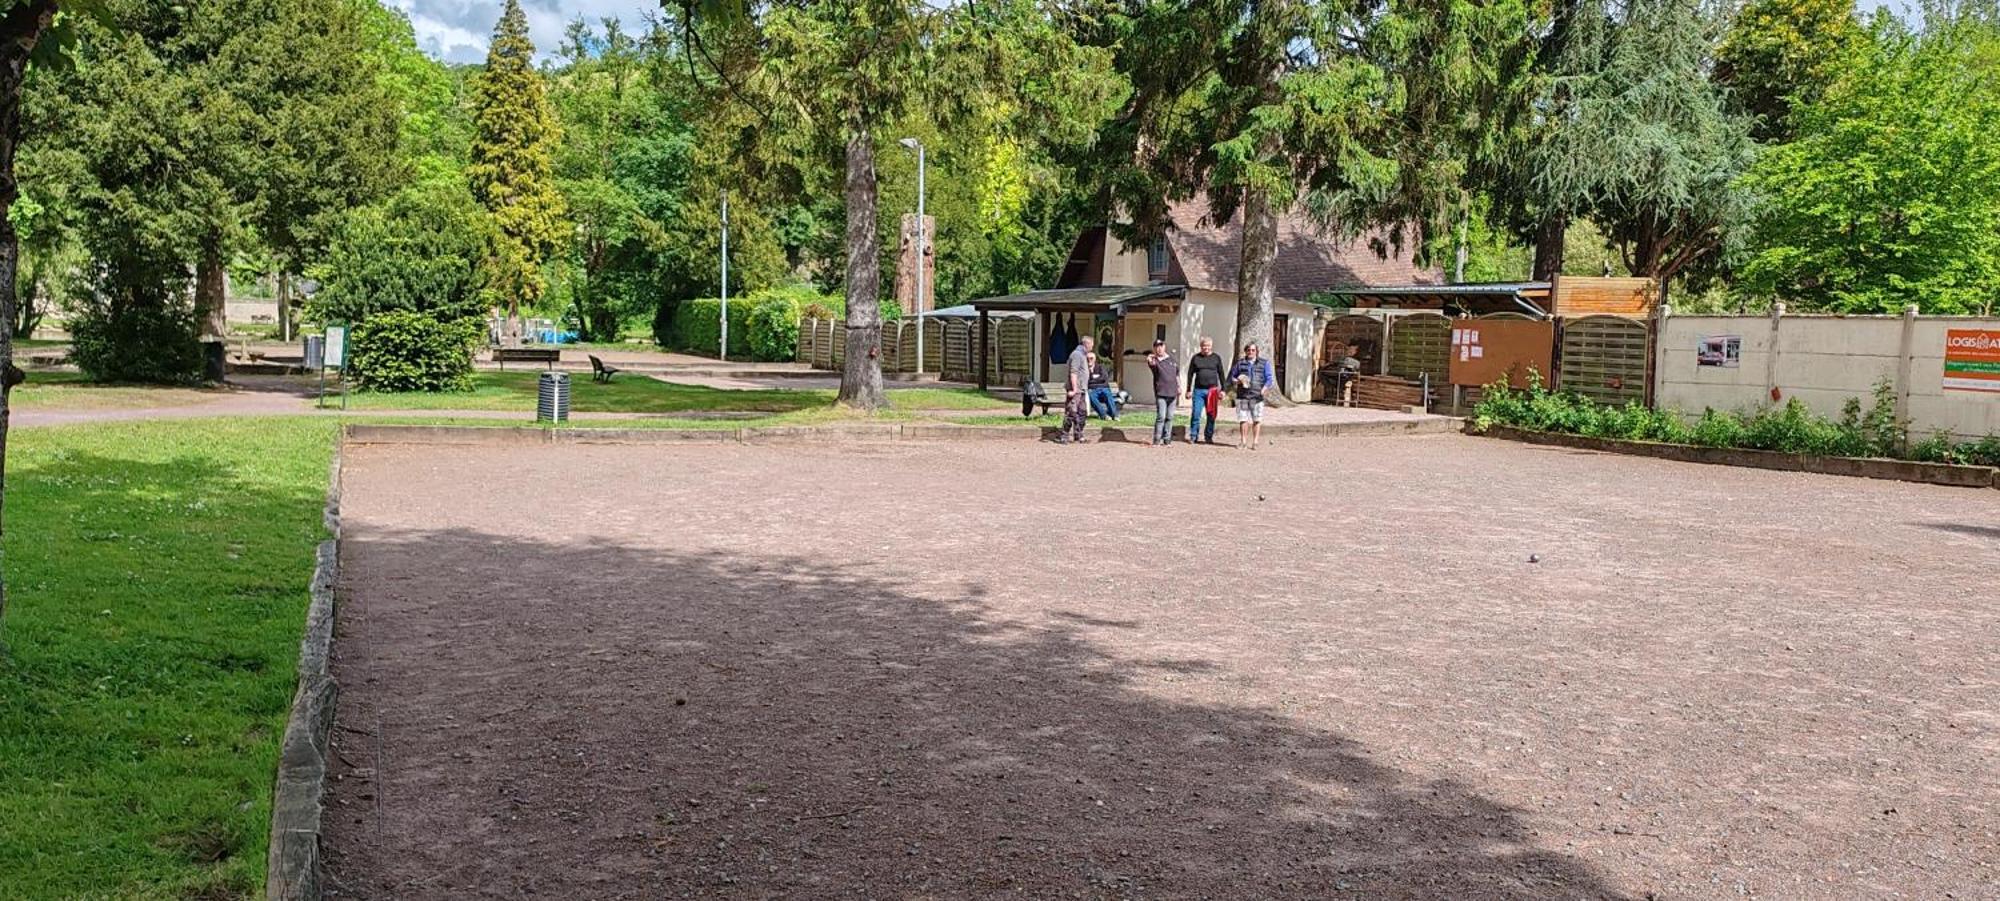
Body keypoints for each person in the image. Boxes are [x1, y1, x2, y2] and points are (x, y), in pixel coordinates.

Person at [1230, 342, 1276, 450]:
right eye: (1249, 350)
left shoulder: (1264, 363)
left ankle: (1255, 442)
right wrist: (1238, 381)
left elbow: (1269, 379)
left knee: (1256, 420)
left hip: (1257, 396)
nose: (1251, 352)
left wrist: (1264, 389)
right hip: (1243, 396)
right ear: (1245, 351)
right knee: (1243, 419)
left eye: (1253, 350)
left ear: (1256, 351)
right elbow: (1232, 377)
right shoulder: (1240, 363)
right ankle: (1243, 442)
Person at [1183, 336, 1227, 444]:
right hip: (1198, 391)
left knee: (1211, 415)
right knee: (1196, 414)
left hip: (1212, 391)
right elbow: (1190, 374)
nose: (1205, 348)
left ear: (1211, 346)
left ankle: (1208, 436)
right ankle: (1194, 436)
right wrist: (1188, 389)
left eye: (1207, 346)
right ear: (1200, 347)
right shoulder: (1196, 358)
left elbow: (1221, 374)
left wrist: (1223, 390)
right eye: (1203, 346)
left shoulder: (1216, 358)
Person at [1060, 334, 1094, 444]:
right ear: (1087, 344)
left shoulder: (1083, 355)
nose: (1092, 348)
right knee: (1071, 412)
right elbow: (1073, 373)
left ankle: (1079, 435)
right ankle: (1064, 436)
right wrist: (1074, 389)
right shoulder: (1076, 355)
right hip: (1077, 390)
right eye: (1092, 345)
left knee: (1082, 413)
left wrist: (1089, 365)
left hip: (1082, 389)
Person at [1146, 339, 1180, 446]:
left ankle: (1167, 439)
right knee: (1161, 416)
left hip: (1173, 393)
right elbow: (1152, 364)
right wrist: (1150, 360)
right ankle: (1157, 440)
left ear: (1164, 346)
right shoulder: (1155, 361)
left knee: (1170, 417)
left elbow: (1176, 375)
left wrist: (1179, 386)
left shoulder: (1172, 360)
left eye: (1160, 346)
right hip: (1161, 393)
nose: (1159, 348)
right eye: (1156, 346)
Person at [1087, 356, 1120, 420]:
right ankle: (1103, 415)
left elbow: (1104, 378)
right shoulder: (1084, 369)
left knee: (1107, 394)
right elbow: (1086, 381)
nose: (1089, 360)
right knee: (1091, 396)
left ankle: (1114, 415)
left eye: (1091, 358)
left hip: (1103, 388)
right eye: (1087, 358)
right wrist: (1096, 378)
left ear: (1095, 359)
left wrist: (1092, 380)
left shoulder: (1100, 367)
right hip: (1092, 390)